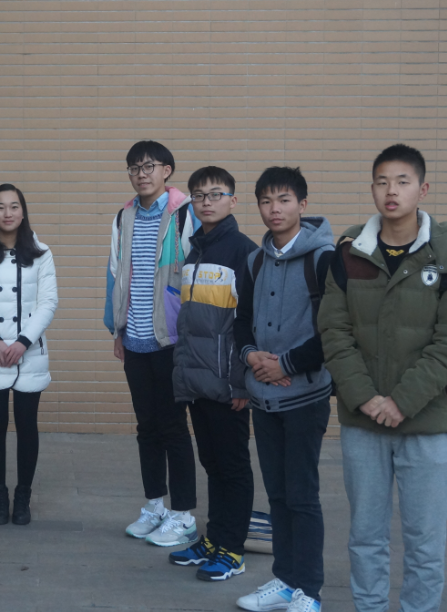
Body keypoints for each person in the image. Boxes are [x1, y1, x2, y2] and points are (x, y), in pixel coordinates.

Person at [319, 144, 447, 612]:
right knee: (365, 537)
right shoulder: (350, 253)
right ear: (372, 189)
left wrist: (402, 401)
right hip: (363, 421)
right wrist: (366, 397)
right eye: (382, 181)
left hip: (427, 423)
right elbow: (333, 331)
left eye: (402, 181)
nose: (391, 191)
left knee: (425, 542)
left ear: (422, 189)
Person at [234, 167, 334, 612]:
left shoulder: (324, 259)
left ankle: (308, 591)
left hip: (305, 397)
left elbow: (334, 331)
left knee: (302, 496)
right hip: (263, 396)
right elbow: (241, 321)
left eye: (284, 200)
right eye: (266, 201)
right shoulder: (255, 260)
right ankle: (285, 581)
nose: (274, 209)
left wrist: (286, 365)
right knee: (276, 494)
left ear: (303, 205)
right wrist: (252, 356)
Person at [103, 140, 200, 540]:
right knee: (146, 427)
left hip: (171, 340)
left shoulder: (185, 214)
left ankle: (184, 515)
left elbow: (195, 277)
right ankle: (155, 506)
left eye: (149, 166)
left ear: (167, 171)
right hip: (135, 340)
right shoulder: (123, 216)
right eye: (134, 168)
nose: (141, 174)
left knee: (174, 427)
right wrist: (117, 329)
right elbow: (114, 274)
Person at [168, 167, 257, 581]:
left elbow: (248, 324)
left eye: (215, 194)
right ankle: (215, 538)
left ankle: (232, 550)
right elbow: (190, 323)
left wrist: (240, 383)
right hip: (198, 382)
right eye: (199, 195)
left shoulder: (243, 251)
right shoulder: (195, 251)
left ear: (233, 201)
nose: (206, 201)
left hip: (227, 384)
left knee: (233, 466)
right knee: (213, 464)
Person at [0, 183, 58, 526]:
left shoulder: (41, 253)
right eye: (0, 207)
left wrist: (22, 343)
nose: (7, 213)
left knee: (27, 425)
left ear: (23, 211)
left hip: (29, 353)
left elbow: (48, 302)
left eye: (14, 206)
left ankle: (23, 497)